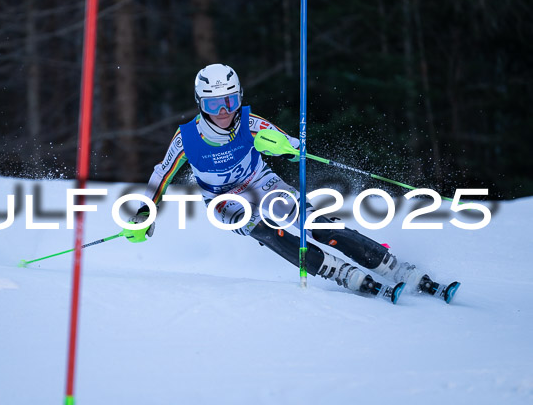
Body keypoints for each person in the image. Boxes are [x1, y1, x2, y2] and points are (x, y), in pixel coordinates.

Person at [123, 64, 460, 304]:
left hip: (260, 183)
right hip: (225, 201)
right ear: (201, 104)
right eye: (214, 104)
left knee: (316, 223)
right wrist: (144, 213)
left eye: (230, 101)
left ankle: (394, 267)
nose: (224, 111)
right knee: (268, 231)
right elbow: (160, 177)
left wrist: (289, 148)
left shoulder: (251, 123)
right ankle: (340, 273)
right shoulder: (186, 140)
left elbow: (290, 147)